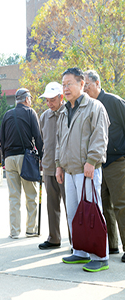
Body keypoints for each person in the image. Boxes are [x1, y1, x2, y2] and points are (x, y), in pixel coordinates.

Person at [56, 67, 110, 272]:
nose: (66, 88)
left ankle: (100, 256)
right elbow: (60, 142)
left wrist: (92, 160)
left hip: (87, 169)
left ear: (81, 84)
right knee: (74, 213)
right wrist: (59, 165)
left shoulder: (95, 107)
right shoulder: (63, 110)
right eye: (63, 84)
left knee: (92, 213)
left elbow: (100, 136)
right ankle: (80, 251)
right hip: (68, 170)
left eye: (69, 83)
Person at [83, 69, 125, 262]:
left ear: (97, 83)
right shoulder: (89, 106)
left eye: (88, 86)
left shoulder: (114, 102)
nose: (86, 90)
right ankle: (112, 245)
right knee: (104, 206)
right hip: (100, 164)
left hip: (118, 162)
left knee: (121, 205)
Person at [0, 88, 43, 239]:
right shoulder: (30, 113)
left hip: (9, 159)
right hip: (26, 158)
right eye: (30, 98)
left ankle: (14, 231)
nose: (31, 101)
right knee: (31, 195)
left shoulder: (6, 115)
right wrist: (42, 157)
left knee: (14, 196)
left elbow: (2, 139)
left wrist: (4, 159)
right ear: (26, 99)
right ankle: (31, 229)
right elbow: (37, 137)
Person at [38, 82, 70, 249]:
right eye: (47, 100)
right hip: (49, 167)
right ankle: (54, 238)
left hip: (67, 169)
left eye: (52, 100)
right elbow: (44, 140)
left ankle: (76, 242)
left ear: (61, 97)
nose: (49, 103)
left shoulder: (69, 113)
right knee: (52, 206)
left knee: (70, 206)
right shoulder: (44, 116)